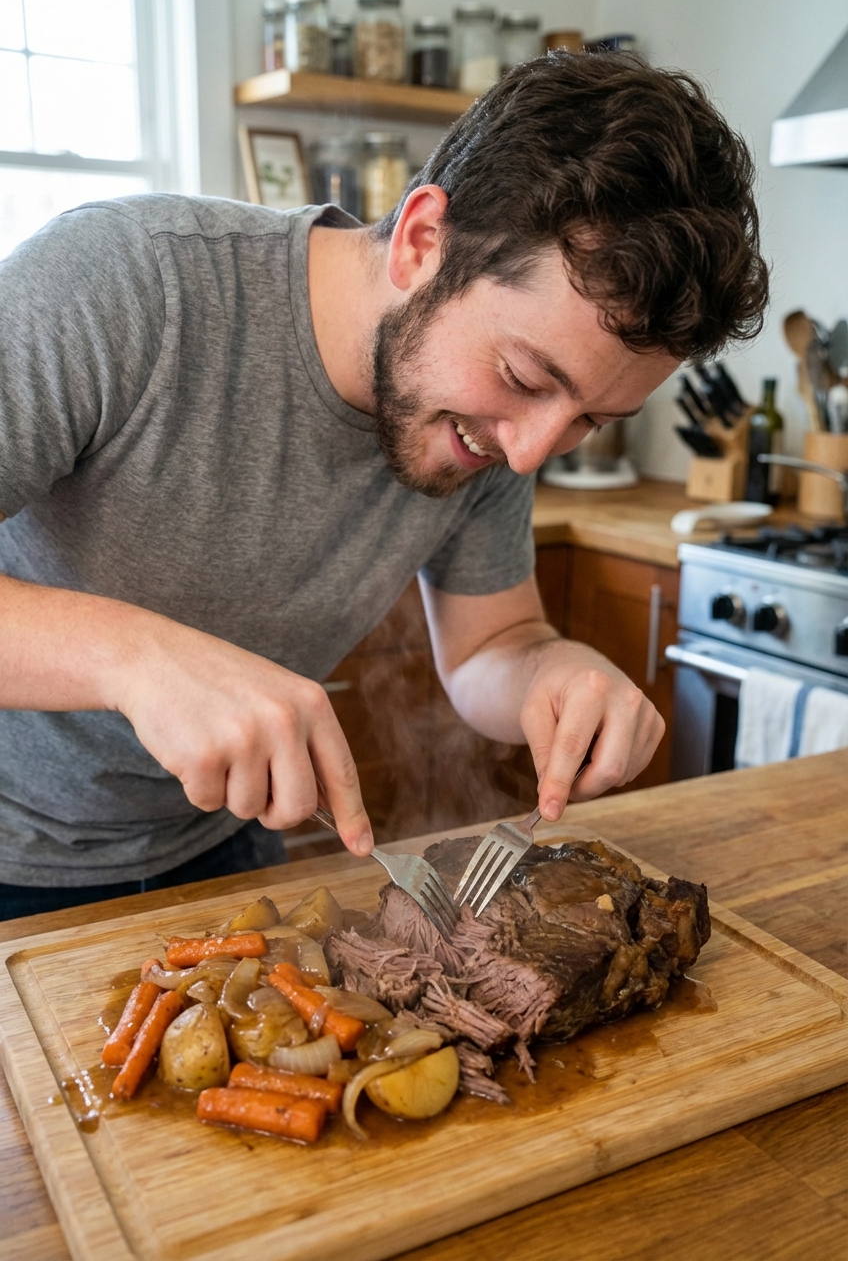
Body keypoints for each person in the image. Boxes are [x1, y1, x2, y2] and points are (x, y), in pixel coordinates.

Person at [0, 52, 768, 918]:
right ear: (421, 241)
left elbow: (489, 646)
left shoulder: (492, 428)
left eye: (593, 419)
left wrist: (554, 669)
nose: (531, 453)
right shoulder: (117, 285)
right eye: (523, 375)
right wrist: (132, 657)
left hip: (222, 847)